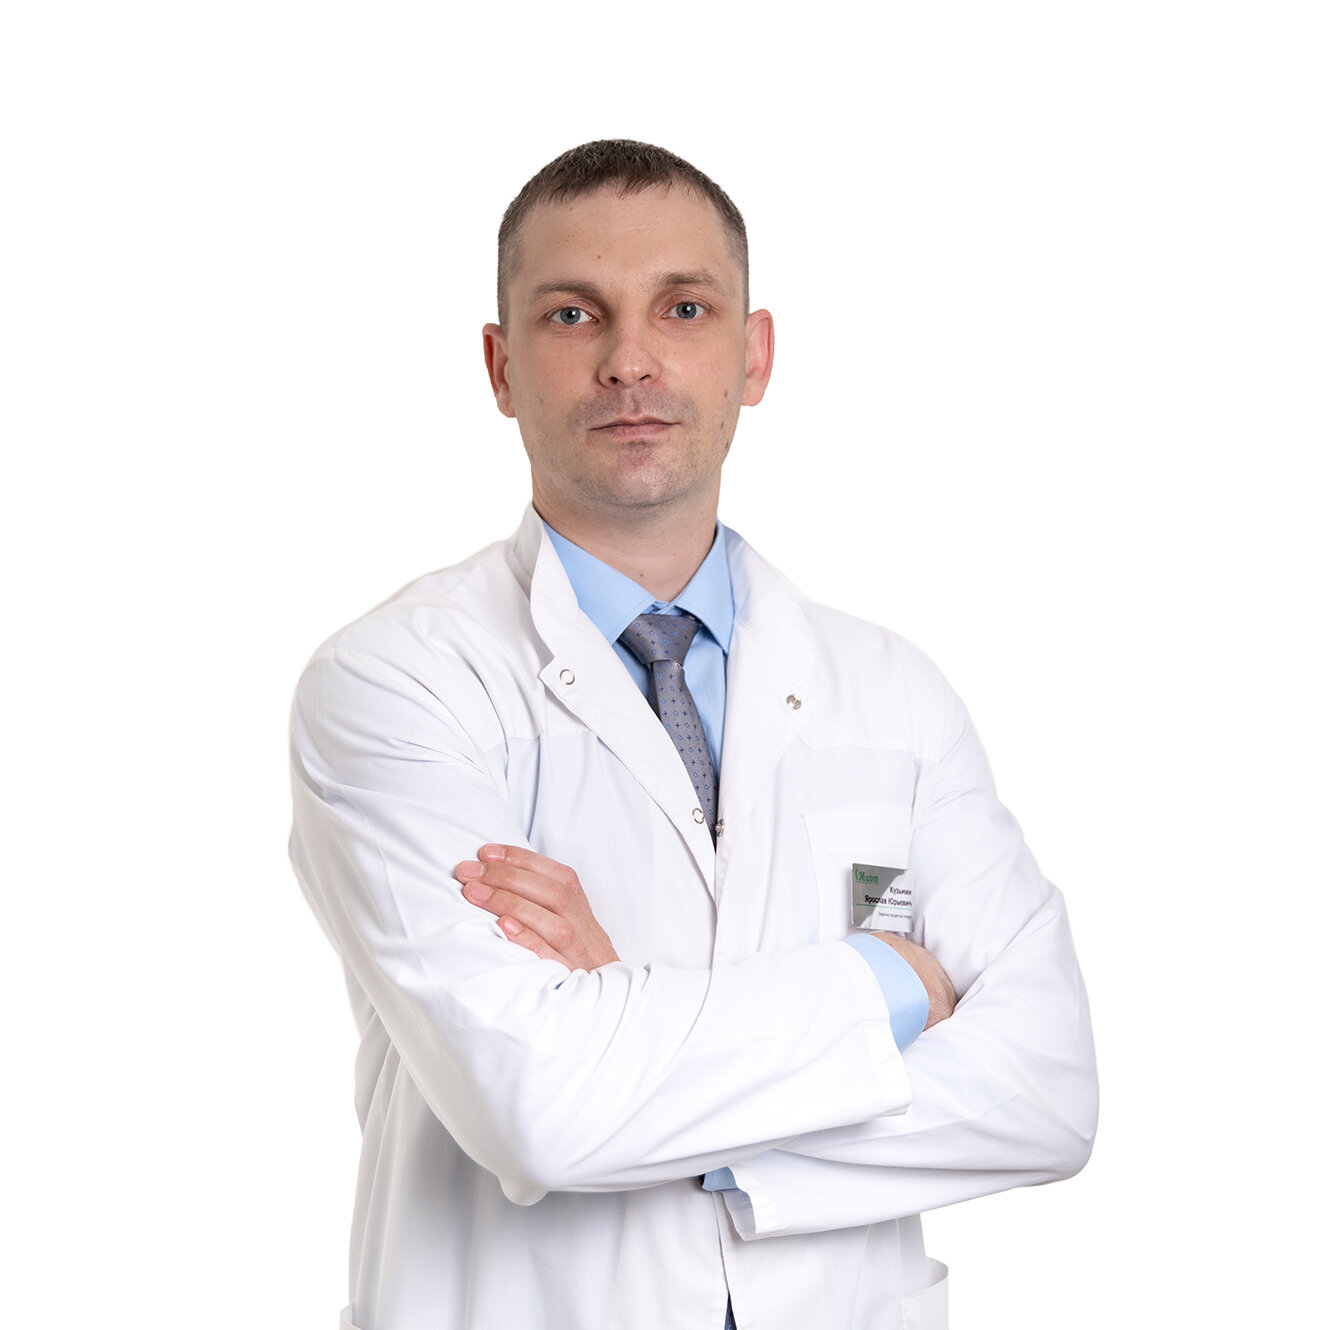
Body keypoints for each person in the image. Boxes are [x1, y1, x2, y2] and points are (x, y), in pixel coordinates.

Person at [289, 139, 1097, 1330]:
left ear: (753, 354)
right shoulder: (397, 684)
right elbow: (535, 1105)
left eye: (682, 308)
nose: (629, 359)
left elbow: (1046, 1086)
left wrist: (623, 1025)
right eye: (573, 314)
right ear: (501, 367)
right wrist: (893, 984)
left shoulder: (893, 695)